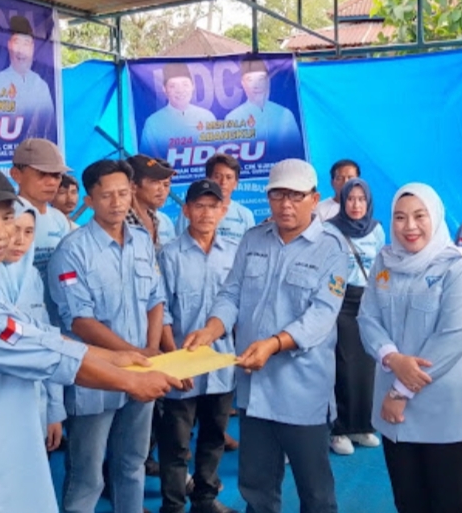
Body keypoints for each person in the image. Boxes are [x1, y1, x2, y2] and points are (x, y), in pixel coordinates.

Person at [0, 163, 182, 513]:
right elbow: (47, 355)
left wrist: (117, 357)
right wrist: (131, 381)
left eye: (7, 218)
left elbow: (36, 336)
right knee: (88, 475)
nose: (1, 233)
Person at [184, 158, 348, 513]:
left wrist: (274, 344)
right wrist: (212, 329)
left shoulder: (332, 247)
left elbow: (321, 315)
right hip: (254, 389)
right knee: (256, 487)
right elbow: (231, 293)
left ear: (314, 198)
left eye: (295, 196)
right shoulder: (253, 238)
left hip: (303, 389)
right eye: (277, 195)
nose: (285, 204)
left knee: (315, 491)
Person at [357, 183, 462, 513]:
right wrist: (391, 357)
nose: (410, 226)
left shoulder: (460, 266)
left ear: (435, 216)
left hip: (447, 410)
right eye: (400, 217)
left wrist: (399, 391)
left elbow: (453, 338)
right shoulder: (384, 262)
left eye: (420, 216)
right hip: (396, 416)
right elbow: (367, 318)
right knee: (409, 502)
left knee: (451, 503)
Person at [48, 159, 169, 513]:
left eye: (123, 193)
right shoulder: (72, 250)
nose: (117, 203)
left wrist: (150, 349)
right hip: (95, 378)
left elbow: (156, 298)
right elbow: (80, 321)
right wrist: (134, 354)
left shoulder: (142, 241)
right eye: (106, 196)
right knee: (87, 475)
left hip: (143, 372)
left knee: (132, 464)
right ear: (90, 199)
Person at [158, 179, 239, 513]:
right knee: (176, 444)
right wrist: (174, 362)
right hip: (182, 369)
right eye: (200, 206)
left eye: (213, 206)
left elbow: (240, 307)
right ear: (187, 210)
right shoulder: (169, 255)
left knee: (214, 436)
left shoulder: (234, 253)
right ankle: (173, 506)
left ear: (223, 210)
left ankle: (205, 499)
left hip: (221, 365)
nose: (207, 213)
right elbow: (161, 312)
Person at [0, 201, 66, 452]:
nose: (20, 240)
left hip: (35, 403)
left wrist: (54, 410)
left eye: (28, 232)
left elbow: (47, 339)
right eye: (14, 229)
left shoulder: (32, 277)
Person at [327, 178, 386, 456]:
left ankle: (362, 426)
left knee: (368, 366)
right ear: (343, 200)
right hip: (340, 302)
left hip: (369, 301)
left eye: (361, 199)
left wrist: (382, 295)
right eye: (351, 198)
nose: (356, 204)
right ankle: (338, 430)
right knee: (343, 366)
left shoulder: (377, 230)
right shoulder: (331, 229)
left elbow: (382, 268)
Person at [10, 138, 71, 325]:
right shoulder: (6, 216)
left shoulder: (59, 219)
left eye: (56, 175)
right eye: (42, 174)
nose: (51, 182)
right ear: (16, 174)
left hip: (57, 315)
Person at [0, 15, 55, 135]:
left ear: (32, 47)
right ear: (9, 45)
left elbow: (50, 128)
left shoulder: (41, 86)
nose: (21, 50)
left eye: (26, 43)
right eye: (17, 42)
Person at [224, 58, 302, 156]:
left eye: (261, 79)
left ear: (268, 81)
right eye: (250, 80)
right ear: (243, 84)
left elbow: (295, 152)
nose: (256, 85)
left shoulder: (285, 114)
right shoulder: (233, 118)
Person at [140, 63, 216, 157]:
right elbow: (147, 159)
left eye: (185, 85)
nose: (180, 90)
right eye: (173, 86)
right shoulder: (153, 123)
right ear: (164, 89)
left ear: (193, 86)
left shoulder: (207, 117)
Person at [176, 153, 255, 243]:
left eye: (229, 177)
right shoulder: (191, 211)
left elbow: (250, 248)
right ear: (208, 179)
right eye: (218, 177)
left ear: (236, 184)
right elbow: (179, 244)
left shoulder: (245, 215)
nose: (223, 182)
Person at [127, 154, 177, 249]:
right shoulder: (120, 222)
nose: (161, 189)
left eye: (166, 185)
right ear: (133, 186)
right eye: (154, 182)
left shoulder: (158, 220)